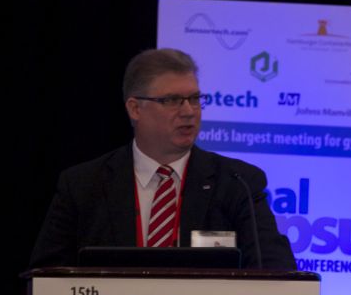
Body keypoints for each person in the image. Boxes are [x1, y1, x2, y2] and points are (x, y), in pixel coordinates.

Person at [30, 48, 296, 270]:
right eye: (172, 100)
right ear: (135, 109)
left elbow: (276, 271)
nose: (189, 111)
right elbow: (46, 281)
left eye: (194, 99)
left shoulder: (238, 183)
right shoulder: (83, 185)